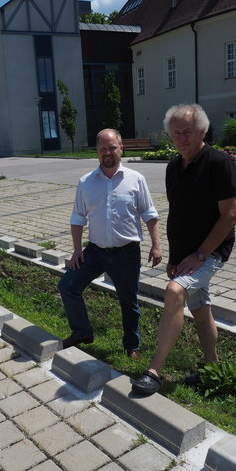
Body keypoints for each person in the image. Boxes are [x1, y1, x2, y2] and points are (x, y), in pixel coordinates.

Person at [132, 104, 236, 395]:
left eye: (188, 132)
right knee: (200, 308)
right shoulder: (173, 167)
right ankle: (213, 370)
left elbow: (230, 216)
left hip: (212, 252)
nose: (181, 137)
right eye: (176, 133)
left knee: (174, 291)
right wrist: (176, 257)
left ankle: (154, 371)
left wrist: (200, 255)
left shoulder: (219, 163)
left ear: (202, 131)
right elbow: (178, 214)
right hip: (187, 255)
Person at [58, 128, 162, 358]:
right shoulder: (86, 182)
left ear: (121, 148)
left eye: (112, 147)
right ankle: (82, 332)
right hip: (94, 252)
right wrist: (76, 250)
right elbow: (77, 218)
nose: (108, 152)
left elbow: (149, 213)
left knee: (128, 302)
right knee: (68, 286)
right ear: (97, 151)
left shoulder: (136, 179)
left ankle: (132, 346)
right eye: (103, 148)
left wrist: (156, 245)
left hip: (126, 254)